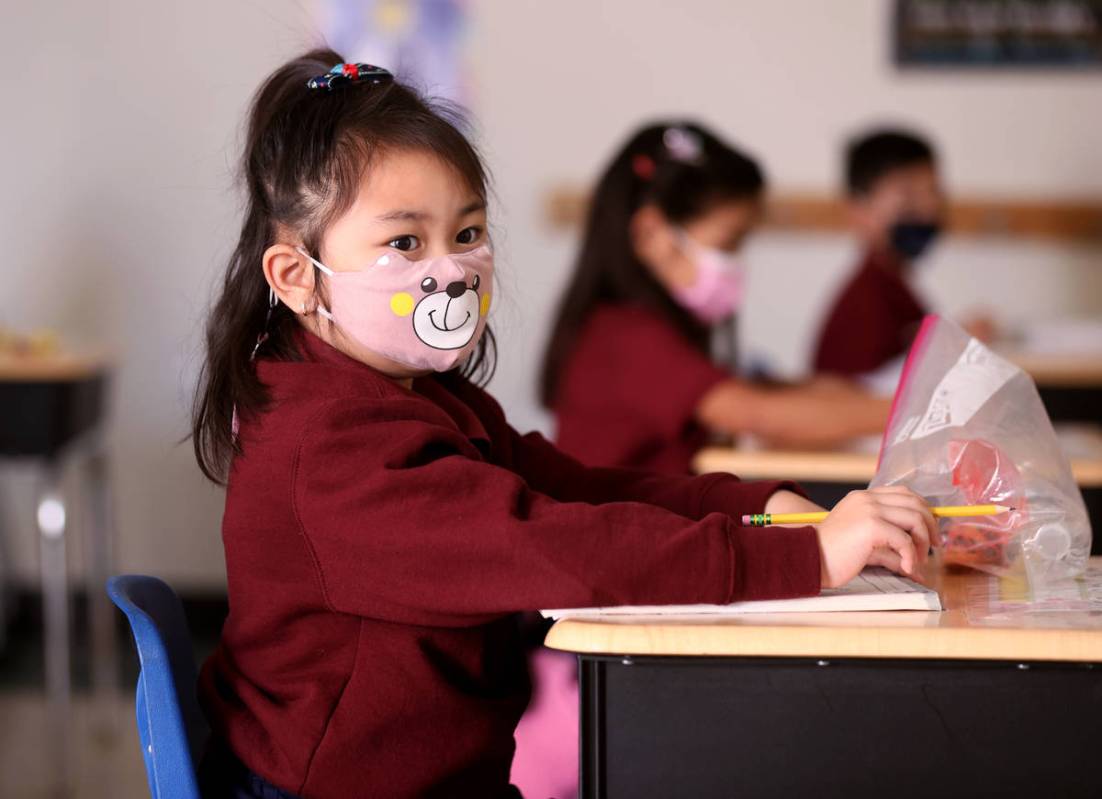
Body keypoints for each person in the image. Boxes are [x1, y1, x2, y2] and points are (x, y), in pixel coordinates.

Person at [191, 52, 935, 799]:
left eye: (468, 231)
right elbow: (558, 544)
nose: (451, 270)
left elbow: (578, 488)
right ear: (296, 276)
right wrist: (804, 558)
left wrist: (763, 507)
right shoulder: (334, 448)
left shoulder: (422, 395)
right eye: (406, 242)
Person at [540, 122, 892, 475]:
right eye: (728, 242)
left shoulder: (651, 327)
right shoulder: (627, 337)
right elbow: (758, 415)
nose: (737, 263)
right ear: (651, 233)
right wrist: (912, 411)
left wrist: (834, 393)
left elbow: (750, 395)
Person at [813, 128, 991, 377]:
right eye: (909, 197)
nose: (928, 210)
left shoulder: (892, 286)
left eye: (934, 193)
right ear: (858, 209)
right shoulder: (866, 300)